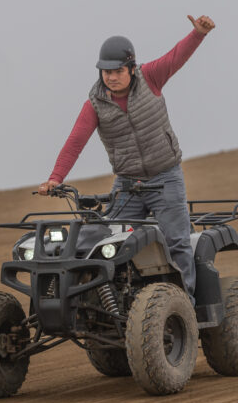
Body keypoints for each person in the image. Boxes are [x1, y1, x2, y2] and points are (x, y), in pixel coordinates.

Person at [37, 15, 216, 301]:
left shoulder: (151, 77)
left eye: (117, 70)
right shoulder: (95, 104)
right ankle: (117, 308)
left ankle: (185, 308)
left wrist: (197, 34)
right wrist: (55, 178)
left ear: (132, 68)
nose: (111, 77)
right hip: (127, 185)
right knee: (108, 245)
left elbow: (176, 57)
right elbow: (75, 142)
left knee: (177, 242)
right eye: (105, 71)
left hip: (165, 179)